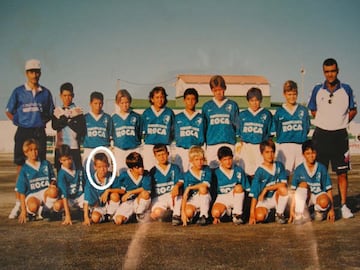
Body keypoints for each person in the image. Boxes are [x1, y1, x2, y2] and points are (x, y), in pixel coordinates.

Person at [308, 58, 357, 219]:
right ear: (324, 72)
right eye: (327, 71)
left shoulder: (347, 89)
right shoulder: (317, 89)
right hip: (321, 135)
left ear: (338, 71)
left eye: (333, 71)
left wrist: (340, 122)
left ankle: (343, 205)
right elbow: (313, 110)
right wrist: (326, 123)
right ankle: (321, 205)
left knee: (342, 173)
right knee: (320, 172)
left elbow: (353, 110)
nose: (330, 74)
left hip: (339, 136)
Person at [6, 59, 55, 219]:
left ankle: (41, 203)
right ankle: (19, 204)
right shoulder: (18, 91)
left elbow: (50, 112)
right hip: (23, 132)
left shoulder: (45, 93)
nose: (34, 74)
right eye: (31, 71)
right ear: (26, 73)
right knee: (21, 167)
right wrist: (19, 121)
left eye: (37, 71)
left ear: (40, 73)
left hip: (39, 132)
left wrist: (40, 122)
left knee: (41, 166)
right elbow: (9, 110)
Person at [288, 140, 335, 224]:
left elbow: (329, 190)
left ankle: (318, 211)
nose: (311, 156)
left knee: (324, 201)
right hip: (306, 198)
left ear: (316, 153)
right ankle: (299, 214)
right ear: (303, 155)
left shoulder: (322, 168)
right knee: (303, 184)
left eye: (313, 153)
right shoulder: (299, 169)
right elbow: (293, 192)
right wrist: (292, 210)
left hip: (318, 196)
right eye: (308, 153)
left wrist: (331, 209)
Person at [15, 139, 59, 224]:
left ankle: (45, 212)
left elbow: (53, 178)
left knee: (53, 191)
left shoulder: (46, 164)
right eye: (30, 150)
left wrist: (52, 185)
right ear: (26, 153)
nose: (34, 152)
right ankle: (32, 213)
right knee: (33, 206)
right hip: (33, 195)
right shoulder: (24, 169)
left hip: (45, 192)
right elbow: (22, 192)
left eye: (35, 149)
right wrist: (23, 211)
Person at [272, 80, 310, 177]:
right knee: (284, 175)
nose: (292, 97)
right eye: (289, 94)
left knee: (302, 176)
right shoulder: (279, 112)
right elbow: (275, 130)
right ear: (284, 94)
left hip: (300, 145)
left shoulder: (303, 110)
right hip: (285, 146)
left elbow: (307, 128)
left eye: (294, 94)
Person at [202, 75, 239, 168]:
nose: (218, 92)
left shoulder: (232, 105)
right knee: (213, 171)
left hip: (229, 142)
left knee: (229, 170)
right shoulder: (207, 106)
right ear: (212, 91)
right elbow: (204, 127)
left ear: (225, 88)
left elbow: (237, 126)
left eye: (220, 89)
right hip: (212, 144)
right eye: (215, 90)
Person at [248, 140, 289, 225]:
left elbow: (283, 184)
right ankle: (270, 214)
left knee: (283, 189)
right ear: (262, 153)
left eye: (272, 152)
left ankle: (279, 214)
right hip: (264, 200)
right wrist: (251, 214)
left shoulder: (279, 166)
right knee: (259, 217)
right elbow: (255, 194)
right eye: (267, 152)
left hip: (275, 197)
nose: (270, 155)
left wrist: (266, 189)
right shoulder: (259, 171)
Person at [237, 87, 273, 179]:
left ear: (261, 100)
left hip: (260, 147)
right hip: (246, 146)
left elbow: (269, 135)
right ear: (248, 101)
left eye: (257, 100)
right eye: (252, 100)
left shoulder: (266, 114)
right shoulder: (243, 114)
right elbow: (239, 134)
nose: (254, 103)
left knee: (260, 172)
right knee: (245, 172)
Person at [211, 146, 250, 225]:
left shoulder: (238, 170)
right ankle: (227, 213)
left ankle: (237, 215)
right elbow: (213, 193)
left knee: (238, 187)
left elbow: (247, 189)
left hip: (236, 197)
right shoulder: (216, 173)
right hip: (222, 197)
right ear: (220, 161)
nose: (228, 162)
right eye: (225, 160)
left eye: (229, 159)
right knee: (216, 213)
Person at [52, 82, 86, 172]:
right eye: (64, 95)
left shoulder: (78, 111)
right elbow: (54, 126)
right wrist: (69, 119)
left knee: (76, 174)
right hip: (60, 148)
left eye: (69, 95)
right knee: (60, 174)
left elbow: (81, 130)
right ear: (60, 96)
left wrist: (64, 120)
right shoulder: (57, 111)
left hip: (74, 147)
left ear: (73, 95)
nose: (67, 98)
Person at [110, 152, 151, 225]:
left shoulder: (146, 174)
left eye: (142, 165)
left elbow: (146, 188)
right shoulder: (124, 175)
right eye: (137, 167)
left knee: (145, 194)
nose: (141, 168)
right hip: (128, 203)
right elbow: (121, 190)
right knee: (118, 220)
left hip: (139, 202)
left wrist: (130, 192)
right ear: (131, 168)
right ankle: (131, 216)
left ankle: (139, 214)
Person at [141, 86, 175, 170]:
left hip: (165, 146)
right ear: (152, 99)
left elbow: (173, 130)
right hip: (150, 146)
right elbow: (142, 131)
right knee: (149, 170)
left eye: (162, 97)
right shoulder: (147, 112)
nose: (160, 100)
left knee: (166, 170)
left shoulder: (169, 112)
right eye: (157, 97)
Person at [149, 144, 183, 226]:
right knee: (156, 213)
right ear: (155, 156)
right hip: (159, 198)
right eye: (159, 155)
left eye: (163, 154)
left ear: (168, 153)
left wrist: (177, 185)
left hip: (172, 196)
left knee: (180, 195)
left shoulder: (175, 167)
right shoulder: (153, 171)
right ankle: (169, 214)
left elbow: (181, 180)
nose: (162, 157)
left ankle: (176, 215)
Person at [83, 152, 119, 225]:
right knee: (95, 218)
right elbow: (86, 201)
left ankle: (110, 214)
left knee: (115, 195)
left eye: (105, 166)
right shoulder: (91, 180)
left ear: (108, 165)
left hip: (109, 205)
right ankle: (106, 217)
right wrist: (86, 217)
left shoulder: (111, 176)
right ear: (95, 167)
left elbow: (122, 190)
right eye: (99, 167)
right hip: (98, 206)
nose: (102, 169)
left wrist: (108, 190)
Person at [174, 88, 205, 172]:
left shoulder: (201, 118)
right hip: (182, 150)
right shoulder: (178, 117)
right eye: (188, 99)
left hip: (196, 151)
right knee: (181, 175)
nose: (190, 102)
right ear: (184, 100)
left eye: (193, 99)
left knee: (196, 175)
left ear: (197, 101)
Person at [112, 89, 142, 174]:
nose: (125, 105)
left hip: (134, 148)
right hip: (120, 150)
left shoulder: (136, 117)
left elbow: (139, 133)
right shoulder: (113, 118)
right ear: (118, 103)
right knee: (121, 172)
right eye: (122, 103)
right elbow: (113, 135)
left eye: (127, 102)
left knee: (135, 172)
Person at [181, 146, 212, 226]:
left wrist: (190, 187)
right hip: (193, 199)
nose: (199, 162)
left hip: (205, 196)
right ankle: (196, 216)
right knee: (188, 212)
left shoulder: (206, 169)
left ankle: (204, 215)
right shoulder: (187, 175)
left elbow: (205, 184)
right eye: (196, 160)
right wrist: (183, 213)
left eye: (201, 159)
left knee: (202, 188)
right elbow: (185, 195)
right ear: (191, 161)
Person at [56, 144, 86, 225]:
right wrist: (68, 216)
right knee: (57, 206)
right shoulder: (61, 174)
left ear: (72, 157)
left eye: (69, 159)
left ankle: (82, 211)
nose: (68, 162)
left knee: (90, 201)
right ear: (60, 160)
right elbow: (64, 195)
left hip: (80, 196)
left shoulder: (78, 167)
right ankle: (66, 213)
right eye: (64, 160)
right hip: (69, 198)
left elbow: (86, 184)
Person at [82, 91, 113, 168]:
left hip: (104, 149)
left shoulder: (107, 118)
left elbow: (111, 135)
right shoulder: (84, 118)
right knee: (88, 174)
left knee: (106, 174)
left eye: (100, 103)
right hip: (89, 149)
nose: (98, 106)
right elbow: (81, 136)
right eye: (95, 103)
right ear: (90, 103)